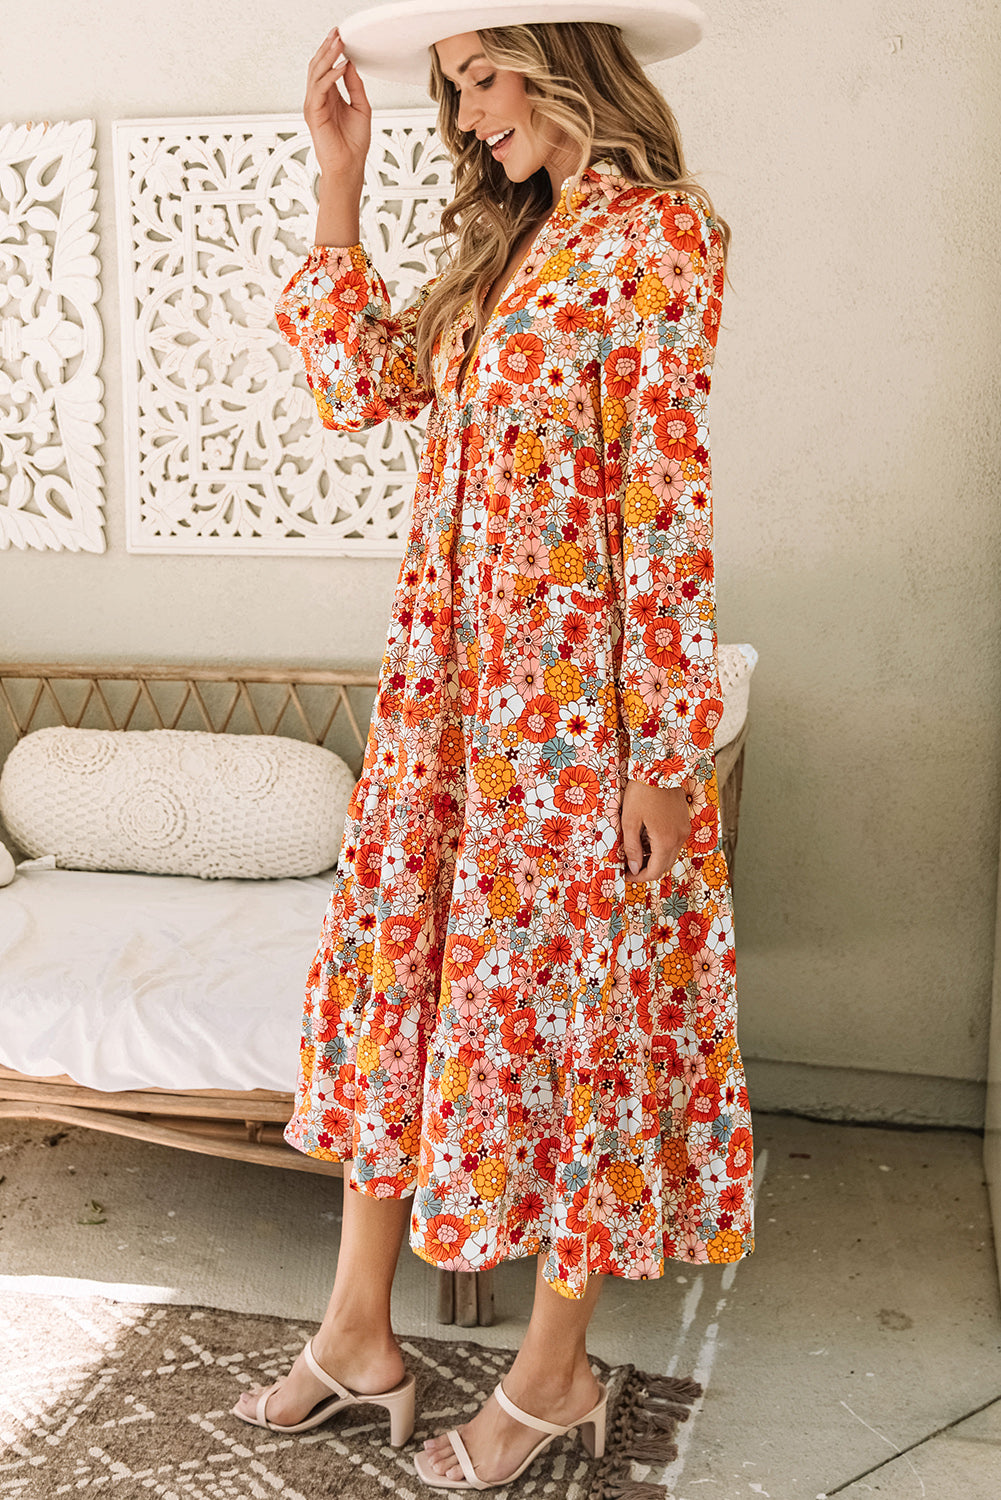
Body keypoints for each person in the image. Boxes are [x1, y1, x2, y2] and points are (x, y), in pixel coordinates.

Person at [233, 1, 754, 1488]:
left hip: (572, 721)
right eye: (452, 89)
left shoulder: (659, 237)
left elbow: (660, 503)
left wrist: (667, 753)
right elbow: (359, 390)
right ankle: (356, 1332)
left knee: (575, 1020)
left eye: (478, 78)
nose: (465, 116)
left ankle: (553, 1371)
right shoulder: (508, 244)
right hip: (448, 701)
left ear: (562, 59)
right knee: (400, 991)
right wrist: (338, 180)